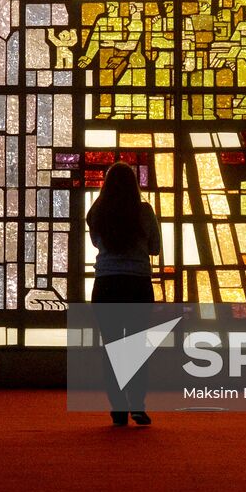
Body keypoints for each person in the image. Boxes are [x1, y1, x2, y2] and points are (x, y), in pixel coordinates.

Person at [86, 161, 161, 426]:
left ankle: (118, 407)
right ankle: (137, 405)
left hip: (107, 284)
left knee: (112, 348)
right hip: (137, 284)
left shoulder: (98, 212)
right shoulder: (144, 211)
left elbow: (96, 242)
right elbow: (155, 248)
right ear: (134, 185)